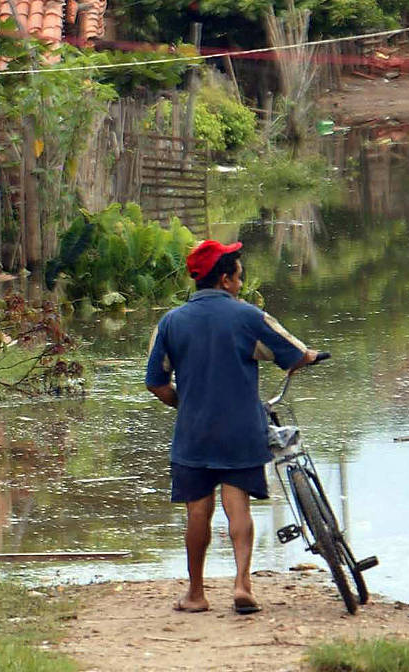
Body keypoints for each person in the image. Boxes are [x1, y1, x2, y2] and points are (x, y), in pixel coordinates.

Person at [145, 239, 319, 615]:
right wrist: (310, 356)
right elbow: (293, 353)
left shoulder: (170, 322)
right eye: (239, 278)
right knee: (237, 507)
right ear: (225, 279)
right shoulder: (248, 317)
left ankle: (195, 593)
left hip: (193, 432)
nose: (241, 284)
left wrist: (183, 403)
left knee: (197, 512)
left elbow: (156, 382)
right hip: (241, 430)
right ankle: (242, 584)